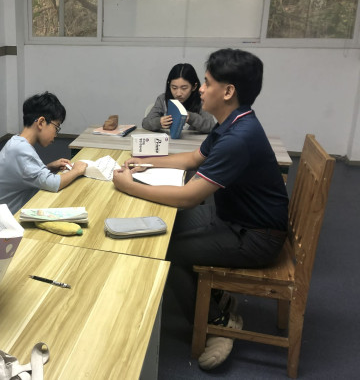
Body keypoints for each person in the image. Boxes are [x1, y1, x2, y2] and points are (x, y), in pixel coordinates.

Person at [114, 49, 289, 370]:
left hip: (256, 237)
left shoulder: (238, 137)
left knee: (169, 252)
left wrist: (129, 186)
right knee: (169, 227)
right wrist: (145, 161)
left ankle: (219, 322)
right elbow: (194, 158)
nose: (201, 90)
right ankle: (215, 297)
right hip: (234, 218)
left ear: (228, 91)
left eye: (207, 83)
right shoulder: (233, 122)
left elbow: (189, 197)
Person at [0, 91, 87, 214]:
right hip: (12, 218)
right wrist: (77, 170)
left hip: (11, 210)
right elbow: (54, 184)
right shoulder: (21, 150)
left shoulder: (15, 143)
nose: (56, 135)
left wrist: (49, 167)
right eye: (56, 127)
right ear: (41, 122)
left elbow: (25, 174)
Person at [142, 63, 215, 133]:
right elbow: (145, 123)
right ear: (169, 85)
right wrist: (159, 122)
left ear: (194, 87)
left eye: (184, 88)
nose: (178, 93)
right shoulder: (163, 99)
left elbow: (211, 126)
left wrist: (191, 118)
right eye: (174, 88)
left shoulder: (201, 100)